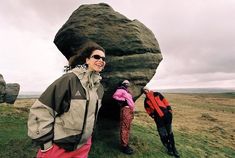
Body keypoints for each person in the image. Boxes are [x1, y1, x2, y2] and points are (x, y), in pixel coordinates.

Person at [27, 40, 106, 158]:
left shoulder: (99, 88)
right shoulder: (69, 80)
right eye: (96, 57)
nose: (101, 60)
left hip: (83, 147)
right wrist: (46, 144)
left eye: (103, 59)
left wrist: (88, 140)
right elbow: (41, 110)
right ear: (87, 60)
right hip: (59, 147)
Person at [142, 87, 180, 157]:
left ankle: (174, 148)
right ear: (143, 93)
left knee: (170, 133)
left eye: (145, 89)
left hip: (167, 116)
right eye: (143, 91)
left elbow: (165, 101)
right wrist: (153, 115)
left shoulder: (157, 94)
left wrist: (169, 110)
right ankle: (169, 148)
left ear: (148, 89)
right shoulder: (146, 101)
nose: (145, 91)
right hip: (158, 119)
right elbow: (148, 110)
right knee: (163, 134)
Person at [112, 80, 135, 155]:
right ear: (123, 84)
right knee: (124, 127)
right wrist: (124, 100)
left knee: (127, 127)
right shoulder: (120, 89)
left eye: (128, 84)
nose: (128, 85)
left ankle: (126, 144)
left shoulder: (125, 91)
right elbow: (115, 96)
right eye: (126, 84)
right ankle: (124, 146)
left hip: (129, 110)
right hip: (125, 109)